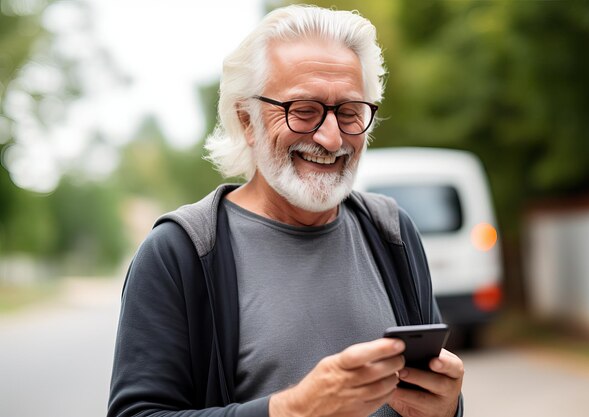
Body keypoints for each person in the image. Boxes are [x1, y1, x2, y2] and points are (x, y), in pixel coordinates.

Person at [108, 5, 464, 417]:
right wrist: (294, 409)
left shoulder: (392, 233)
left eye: (349, 113)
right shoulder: (180, 253)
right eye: (304, 111)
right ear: (247, 120)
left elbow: (430, 398)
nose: (332, 139)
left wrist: (447, 407)